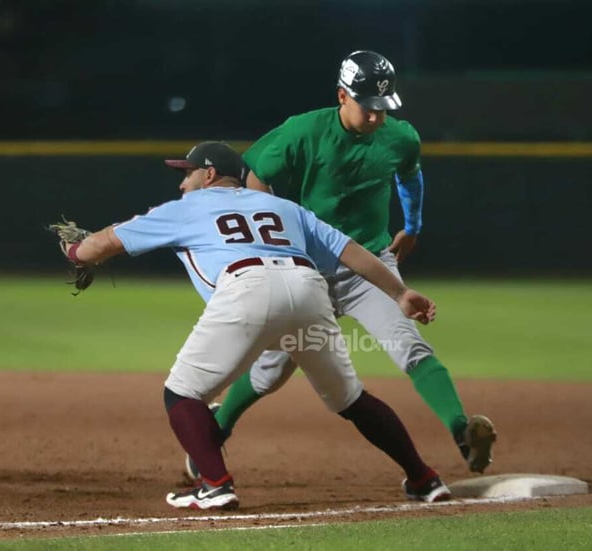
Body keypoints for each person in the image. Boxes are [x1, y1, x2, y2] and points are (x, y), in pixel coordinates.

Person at [57, 141, 452, 510]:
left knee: (182, 393)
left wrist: (75, 250)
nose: (182, 181)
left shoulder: (186, 207)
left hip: (247, 289)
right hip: (308, 290)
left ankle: (215, 484)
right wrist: (399, 292)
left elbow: (103, 243)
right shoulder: (281, 207)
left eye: (188, 172)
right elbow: (349, 251)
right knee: (351, 399)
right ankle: (424, 478)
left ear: (208, 175)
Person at [184, 51, 497, 483]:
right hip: (307, 269)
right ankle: (216, 431)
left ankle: (463, 432)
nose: (376, 117)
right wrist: (267, 226)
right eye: (368, 107)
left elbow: (410, 174)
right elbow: (254, 171)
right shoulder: (304, 131)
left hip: (369, 263)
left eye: (383, 108)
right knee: (273, 369)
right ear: (342, 96)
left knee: (409, 345)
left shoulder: (401, 138)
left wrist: (414, 224)